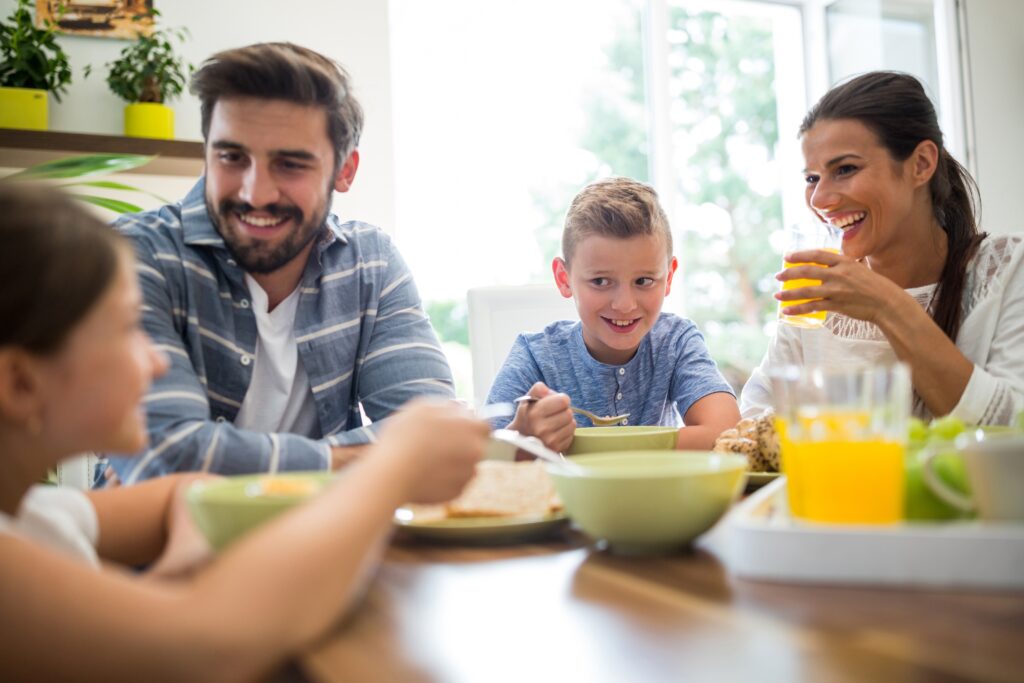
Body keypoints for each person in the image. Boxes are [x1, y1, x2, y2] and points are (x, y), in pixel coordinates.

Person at [0, 184, 488, 682]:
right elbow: (215, 644)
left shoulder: (34, 517)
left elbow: (186, 488)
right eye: (128, 329)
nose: (155, 360)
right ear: (20, 383)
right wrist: (392, 465)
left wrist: (183, 564)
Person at [107, 42, 454, 484]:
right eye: (232, 157)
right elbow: (164, 456)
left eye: (290, 165)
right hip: (156, 550)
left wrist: (219, 459)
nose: (256, 193)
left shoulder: (371, 264)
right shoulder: (134, 255)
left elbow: (430, 430)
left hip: (328, 540)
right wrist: (359, 460)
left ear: (345, 170)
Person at [741, 71, 1024, 424]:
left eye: (845, 169)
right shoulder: (818, 294)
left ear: (921, 164)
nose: (820, 198)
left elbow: (1012, 430)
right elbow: (755, 416)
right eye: (812, 178)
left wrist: (886, 305)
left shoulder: (1007, 270)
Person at [486, 177, 740, 453]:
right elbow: (481, 458)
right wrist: (521, 437)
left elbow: (726, 433)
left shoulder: (675, 341)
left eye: (643, 281)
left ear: (668, 277)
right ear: (564, 278)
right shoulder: (536, 355)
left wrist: (589, 448)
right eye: (601, 281)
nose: (625, 304)